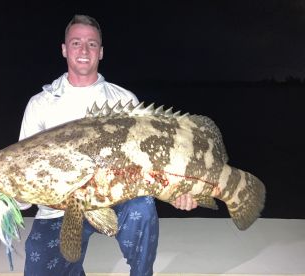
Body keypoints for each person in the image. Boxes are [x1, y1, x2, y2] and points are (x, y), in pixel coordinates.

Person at [18, 14, 197, 276]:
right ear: (64, 49)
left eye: (91, 44)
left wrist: (180, 189)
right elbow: (25, 166)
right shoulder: (41, 104)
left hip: (116, 200)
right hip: (58, 210)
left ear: (100, 52)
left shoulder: (124, 101)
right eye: (76, 42)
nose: (83, 50)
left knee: (142, 206)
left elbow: (152, 164)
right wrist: (11, 201)